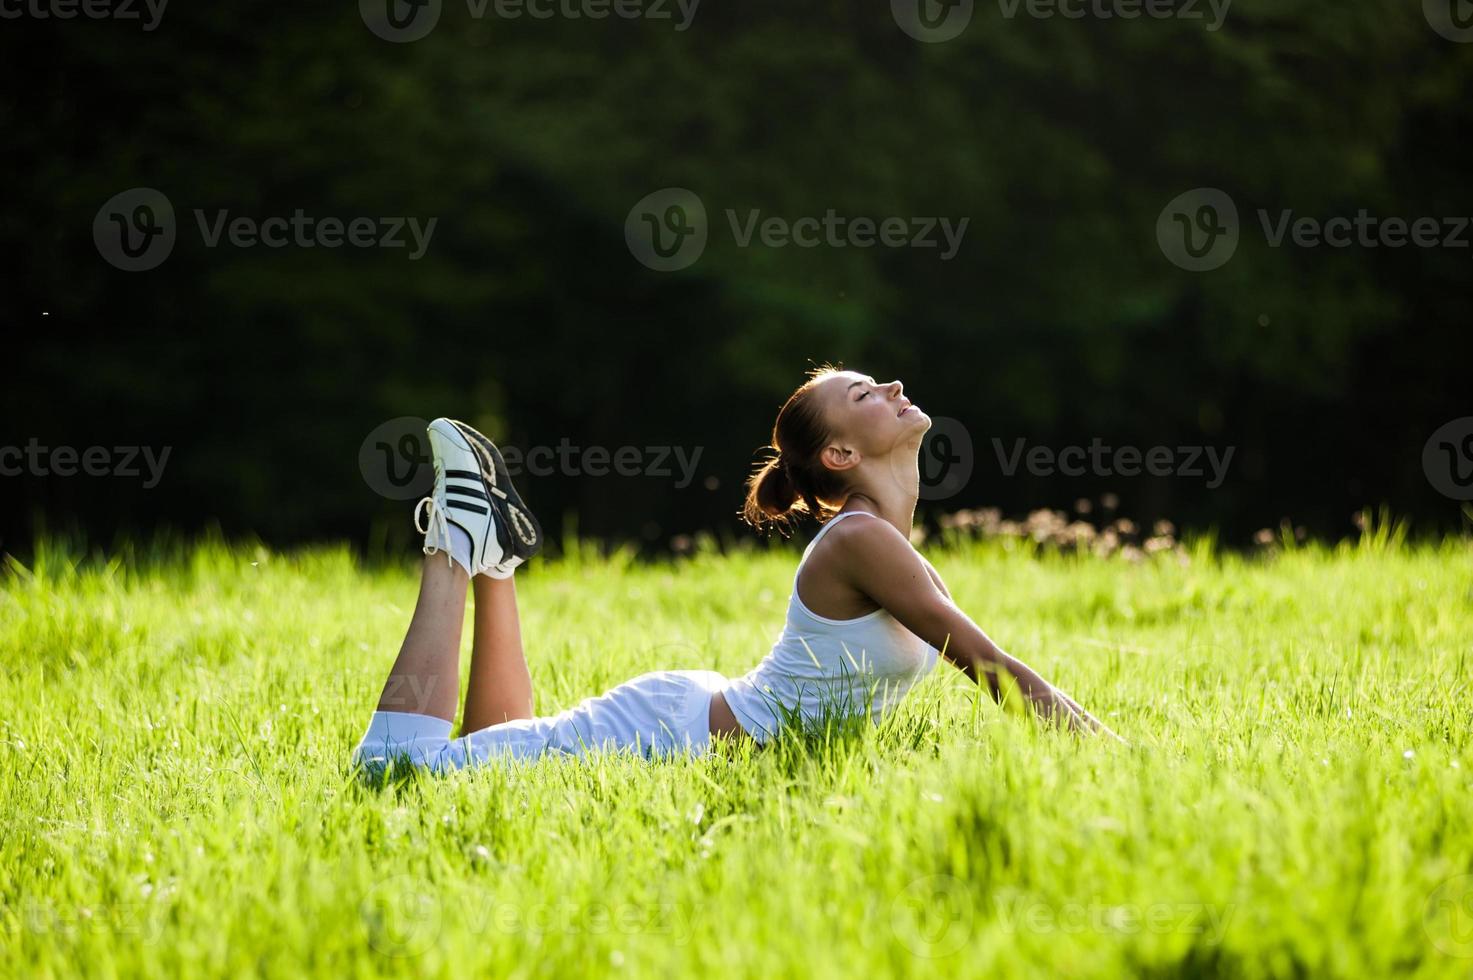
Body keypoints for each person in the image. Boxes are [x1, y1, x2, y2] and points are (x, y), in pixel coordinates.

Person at [351, 367, 1120, 778]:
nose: (890, 387)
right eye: (865, 392)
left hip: (692, 720)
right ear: (840, 456)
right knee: (395, 774)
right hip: (669, 736)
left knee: (494, 755)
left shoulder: (883, 539)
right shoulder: (860, 539)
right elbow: (986, 665)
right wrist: (1114, 755)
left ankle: (495, 563)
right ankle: (456, 542)